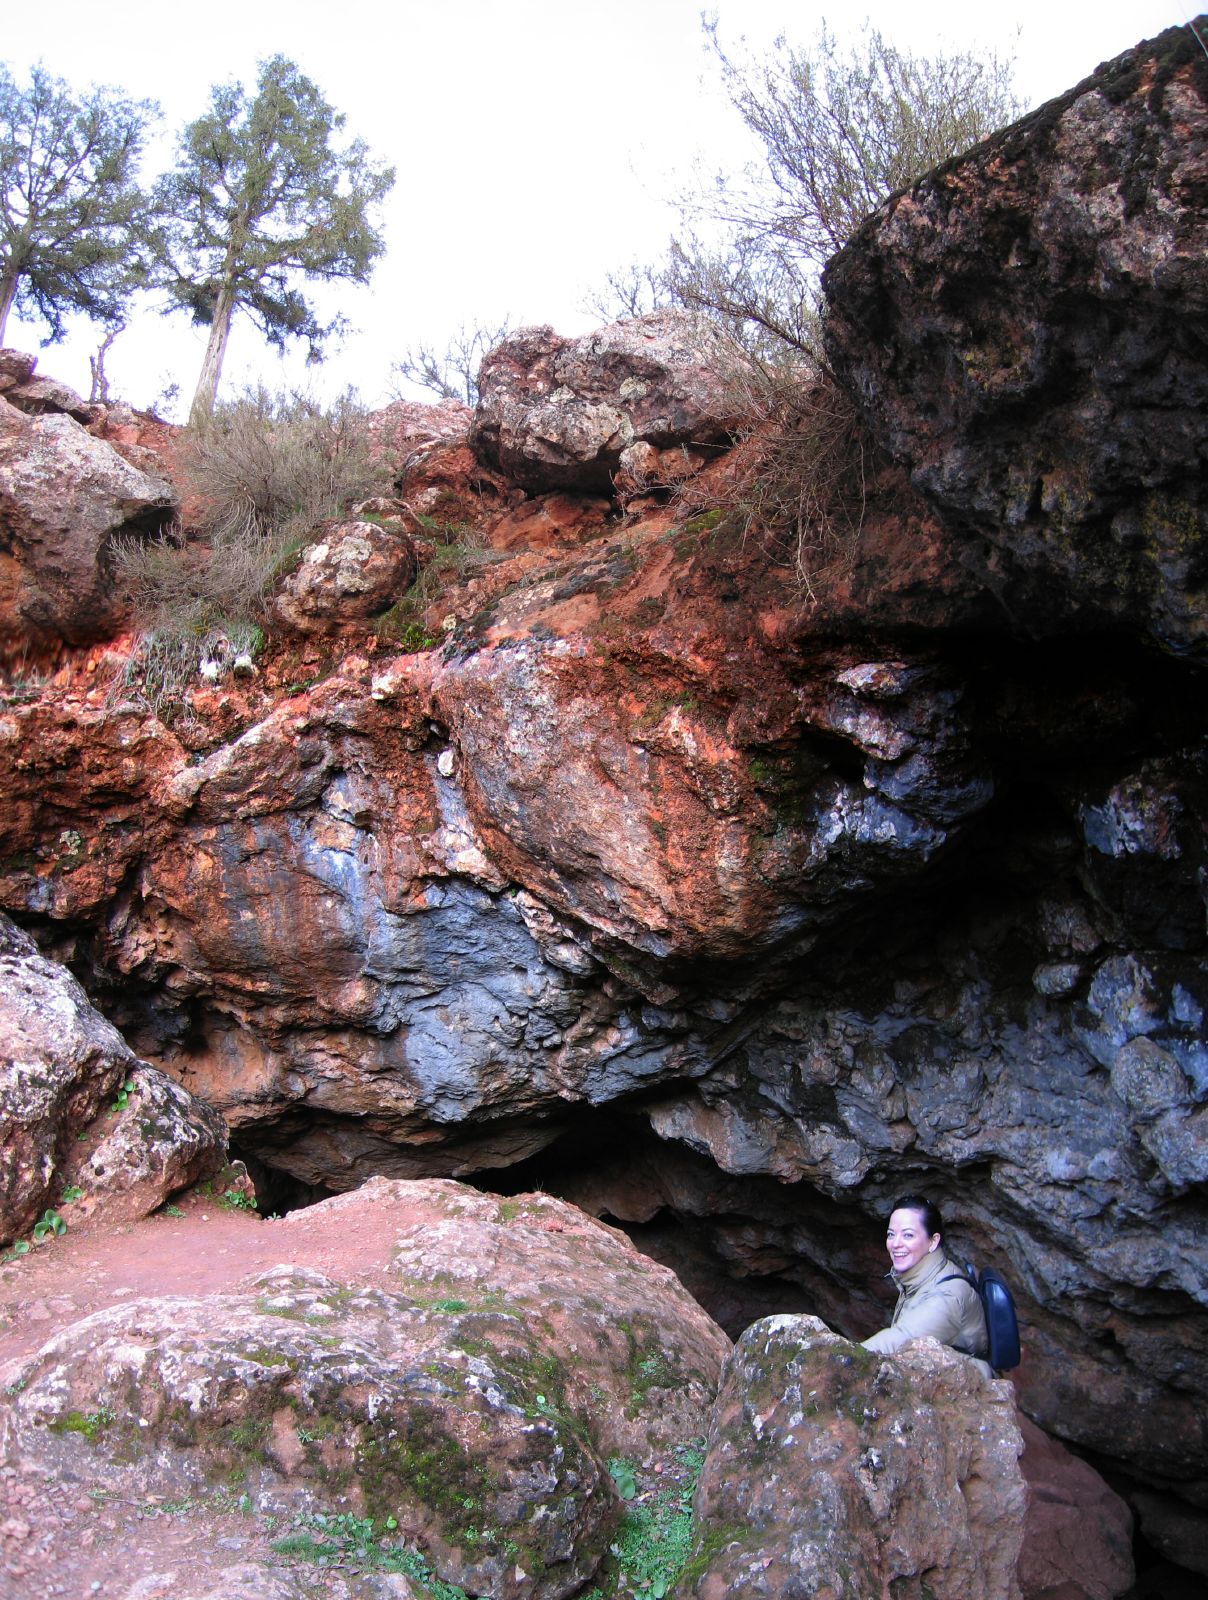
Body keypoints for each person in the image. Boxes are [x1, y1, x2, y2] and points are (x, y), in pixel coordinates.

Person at [862, 1194, 994, 1377]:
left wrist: (841, 1358)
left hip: (967, 1393)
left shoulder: (948, 1295)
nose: (896, 1244)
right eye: (891, 1234)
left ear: (933, 1241)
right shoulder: (920, 1278)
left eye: (908, 1235)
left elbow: (900, 1340)